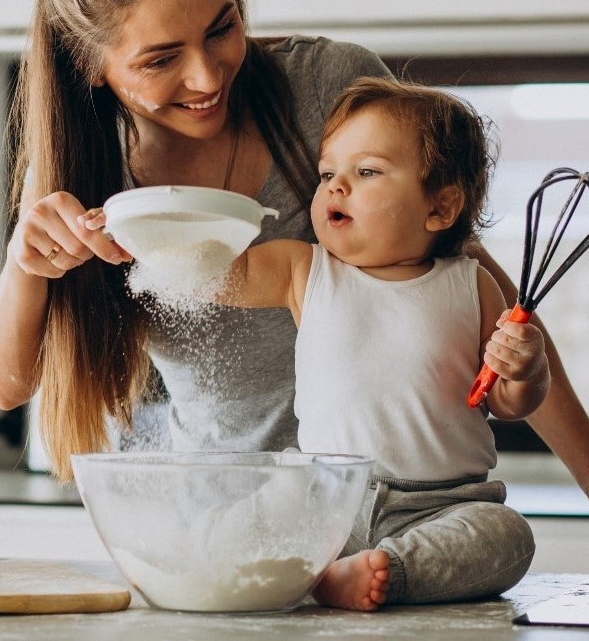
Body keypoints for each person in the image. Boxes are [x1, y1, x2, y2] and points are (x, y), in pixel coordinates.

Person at [0, 0, 587, 497]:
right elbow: (8, 383)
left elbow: (484, 295)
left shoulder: (327, 88)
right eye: (162, 59)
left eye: (222, 28)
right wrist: (26, 264)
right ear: (90, 66)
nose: (207, 77)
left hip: (385, 507)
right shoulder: (82, 174)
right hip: (227, 511)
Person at [136, 75, 543, 610]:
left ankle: (374, 572)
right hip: (323, 497)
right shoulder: (303, 270)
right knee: (224, 524)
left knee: (507, 535)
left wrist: (524, 371)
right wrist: (142, 241)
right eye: (329, 172)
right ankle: (294, 566)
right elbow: (215, 272)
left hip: (442, 505)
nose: (335, 186)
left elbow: (506, 403)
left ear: (440, 208)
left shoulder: (472, 285)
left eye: (366, 171)